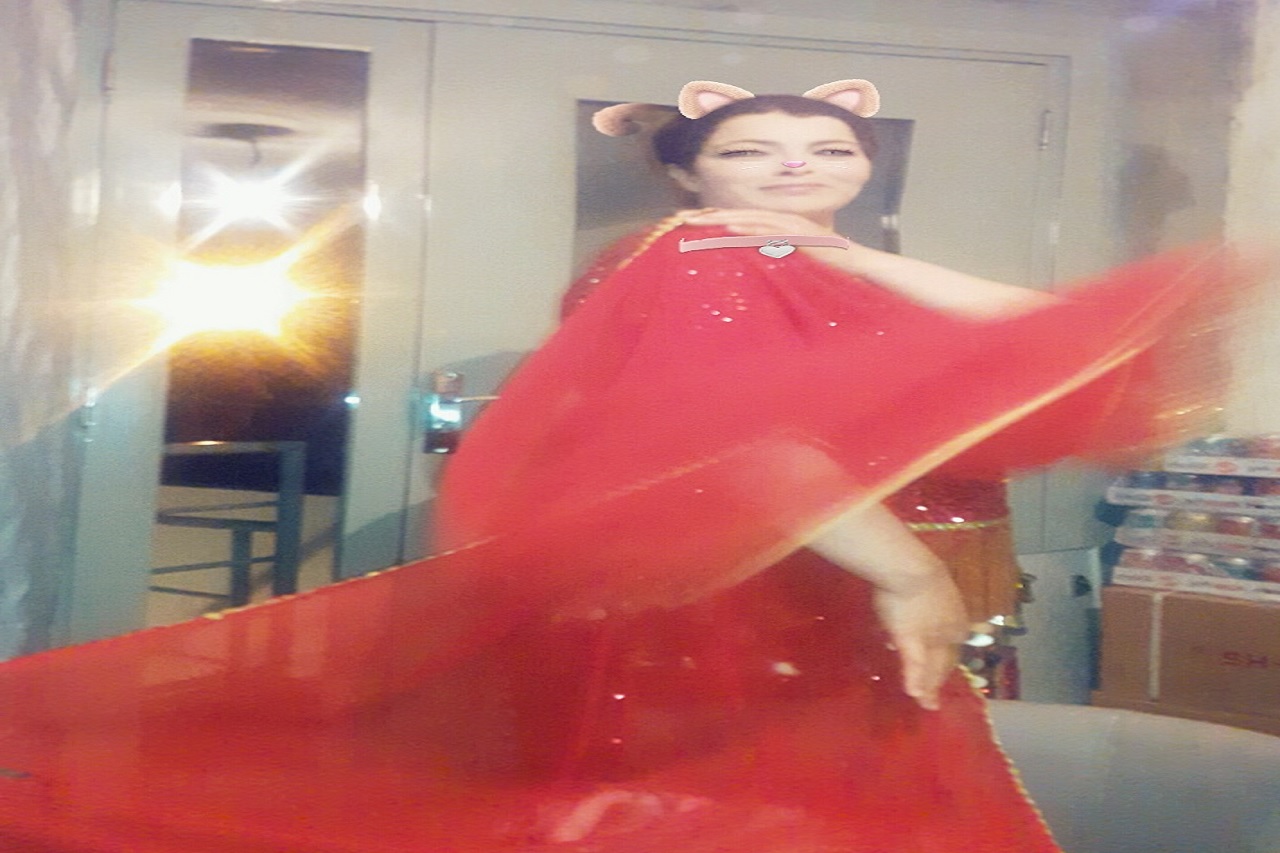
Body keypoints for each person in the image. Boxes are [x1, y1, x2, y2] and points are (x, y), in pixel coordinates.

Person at [0, 81, 1245, 853]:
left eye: (826, 148)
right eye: (753, 152)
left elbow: (1055, 334)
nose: (796, 167)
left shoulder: (801, 266)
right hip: (746, 604)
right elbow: (733, 446)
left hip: (813, 594)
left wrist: (854, 256)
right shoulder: (693, 266)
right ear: (689, 169)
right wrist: (907, 574)